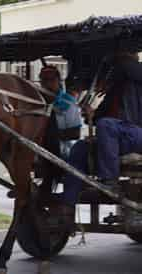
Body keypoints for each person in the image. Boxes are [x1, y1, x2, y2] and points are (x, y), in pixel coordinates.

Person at [60, 50, 142, 225]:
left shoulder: (136, 74)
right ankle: (67, 208)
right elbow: (99, 119)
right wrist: (90, 113)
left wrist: (111, 53)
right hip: (117, 138)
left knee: (106, 125)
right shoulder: (113, 91)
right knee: (79, 149)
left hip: (137, 133)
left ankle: (110, 182)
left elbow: (128, 67)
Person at [39, 66, 82, 193]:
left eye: (51, 80)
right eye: (44, 81)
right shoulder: (37, 102)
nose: (47, 84)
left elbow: (75, 133)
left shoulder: (68, 103)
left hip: (63, 150)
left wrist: (50, 135)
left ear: (58, 80)